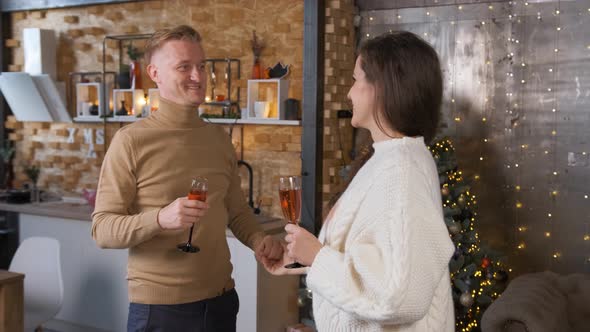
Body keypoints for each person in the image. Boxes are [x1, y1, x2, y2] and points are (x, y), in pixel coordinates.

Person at [91, 25, 282, 332]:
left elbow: (236, 211)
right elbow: (102, 229)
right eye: (184, 67)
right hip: (161, 310)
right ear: (155, 73)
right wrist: (160, 219)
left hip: (221, 302)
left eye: (201, 66)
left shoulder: (219, 139)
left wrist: (259, 240)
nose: (198, 76)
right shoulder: (131, 141)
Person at [261, 31, 455, 331]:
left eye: (355, 80)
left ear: (382, 88)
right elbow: (370, 259)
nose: (349, 93)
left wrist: (317, 256)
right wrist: (301, 261)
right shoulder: (389, 158)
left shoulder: (402, 173)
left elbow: (399, 298)